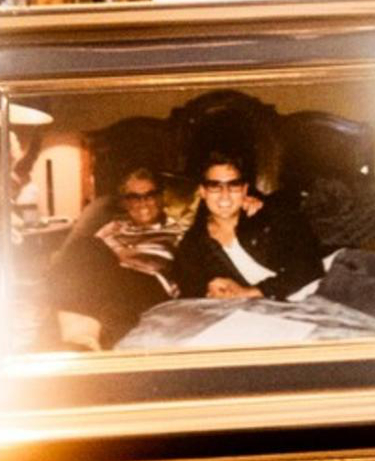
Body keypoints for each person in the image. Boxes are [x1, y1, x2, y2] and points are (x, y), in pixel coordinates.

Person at [48, 165, 184, 352]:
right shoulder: (114, 227)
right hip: (114, 283)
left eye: (150, 195)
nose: (143, 203)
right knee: (82, 247)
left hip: (150, 286)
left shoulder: (178, 231)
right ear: (125, 202)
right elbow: (90, 257)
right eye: (134, 197)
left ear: (160, 198)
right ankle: (84, 339)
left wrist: (120, 256)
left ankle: (81, 337)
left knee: (92, 260)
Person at [166, 150, 327, 305]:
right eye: (215, 186)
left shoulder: (271, 216)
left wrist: (250, 292)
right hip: (272, 310)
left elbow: (309, 267)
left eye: (233, 185)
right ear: (202, 191)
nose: (225, 195)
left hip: (325, 287)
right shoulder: (194, 243)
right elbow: (189, 290)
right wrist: (209, 291)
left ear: (244, 190)